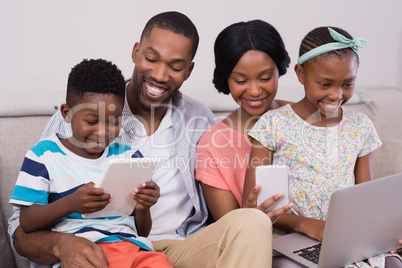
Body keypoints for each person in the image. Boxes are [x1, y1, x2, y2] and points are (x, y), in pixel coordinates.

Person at [8, 12, 279, 268]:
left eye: (175, 66)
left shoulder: (199, 119)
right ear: (136, 52)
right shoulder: (79, 115)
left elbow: (252, 116)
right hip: (99, 246)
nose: (160, 75)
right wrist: (60, 245)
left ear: (189, 70)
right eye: (152, 59)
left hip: (180, 247)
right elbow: (19, 228)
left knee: (252, 221)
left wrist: (297, 108)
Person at [244, 26, 402, 267]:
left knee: (393, 263)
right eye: (325, 84)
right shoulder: (272, 125)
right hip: (290, 238)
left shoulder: (360, 126)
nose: (336, 95)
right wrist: (307, 224)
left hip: (346, 239)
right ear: (300, 74)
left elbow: (367, 199)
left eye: (347, 85)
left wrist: (384, 230)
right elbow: (253, 204)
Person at [9, 58, 173, 268]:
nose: (103, 132)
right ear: (67, 113)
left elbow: (142, 231)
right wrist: (70, 203)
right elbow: (27, 221)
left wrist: (142, 208)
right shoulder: (43, 156)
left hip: (133, 249)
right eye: (92, 121)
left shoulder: (129, 157)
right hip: (83, 255)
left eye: (114, 121)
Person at [195, 19, 293, 221]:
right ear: (226, 79)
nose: (255, 91)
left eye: (265, 78)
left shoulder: (301, 116)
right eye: (241, 81)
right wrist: (249, 218)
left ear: (279, 71)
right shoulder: (213, 145)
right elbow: (229, 231)